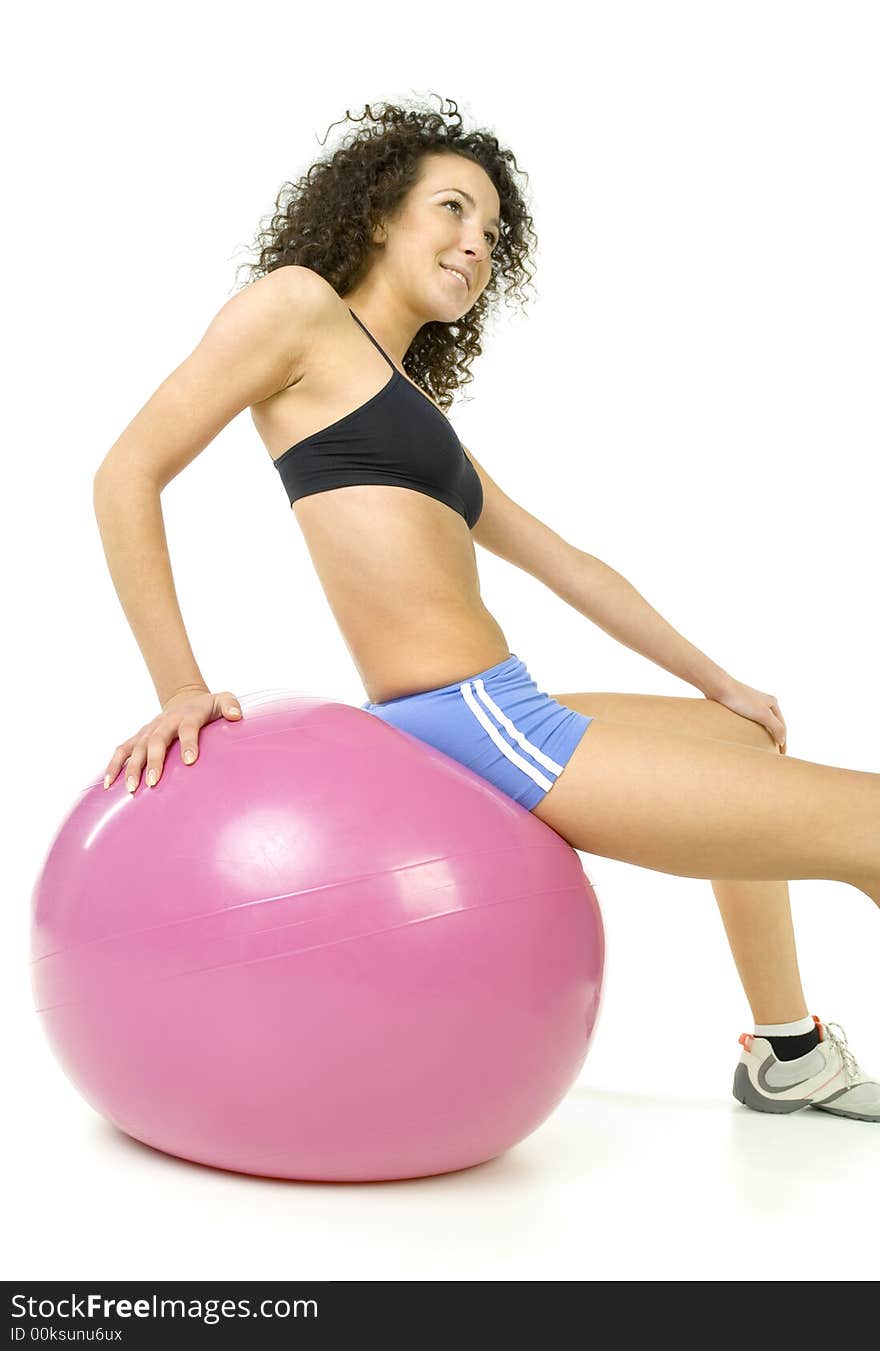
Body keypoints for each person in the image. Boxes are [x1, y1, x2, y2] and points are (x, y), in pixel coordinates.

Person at [93, 96, 879, 1122]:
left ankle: (789, 1054)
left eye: (492, 232)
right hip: (474, 721)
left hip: (501, 703)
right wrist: (178, 687)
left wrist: (716, 681)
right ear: (377, 213)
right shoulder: (297, 311)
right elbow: (125, 475)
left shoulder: (413, 411)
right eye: (451, 209)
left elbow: (570, 564)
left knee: (737, 739)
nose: (474, 243)